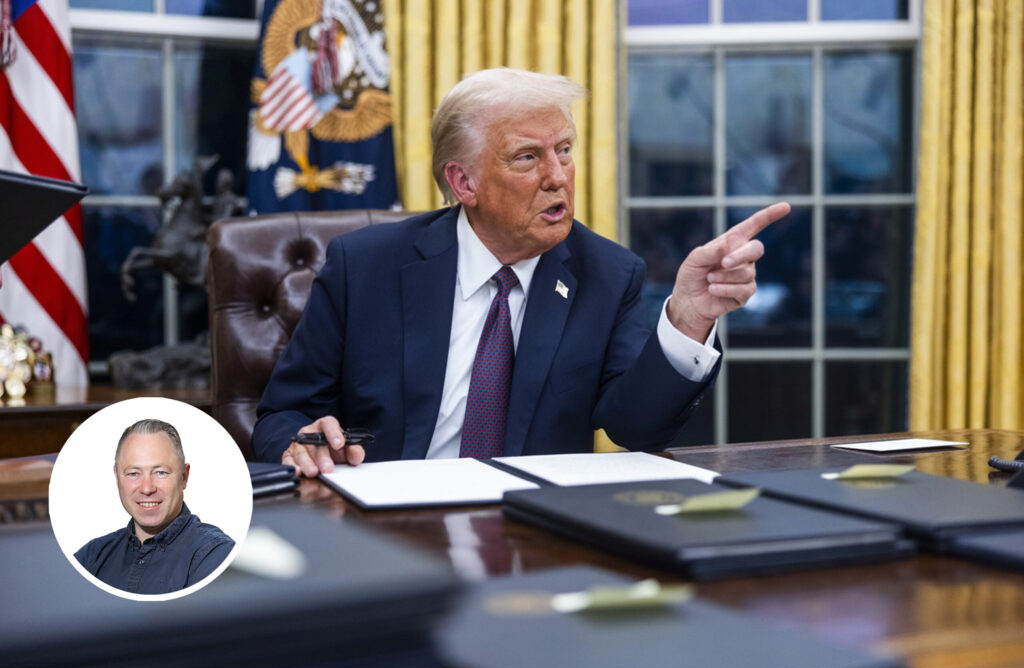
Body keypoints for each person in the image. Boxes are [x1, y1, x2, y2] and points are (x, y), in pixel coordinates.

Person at [253, 67, 790, 476]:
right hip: (385, 527)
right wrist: (301, 442)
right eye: (527, 158)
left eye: (564, 150)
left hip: (532, 531)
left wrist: (688, 319)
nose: (558, 176)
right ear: (464, 183)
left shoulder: (607, 275)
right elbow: (283, 414)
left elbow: (636, 429)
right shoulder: (366, 266)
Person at [75, 419, 235, 595]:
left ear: (184, 476)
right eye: (133, 473)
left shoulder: (216, 554)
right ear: (117, 477)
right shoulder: (92, 556)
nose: (147, 488)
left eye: (160, 473)